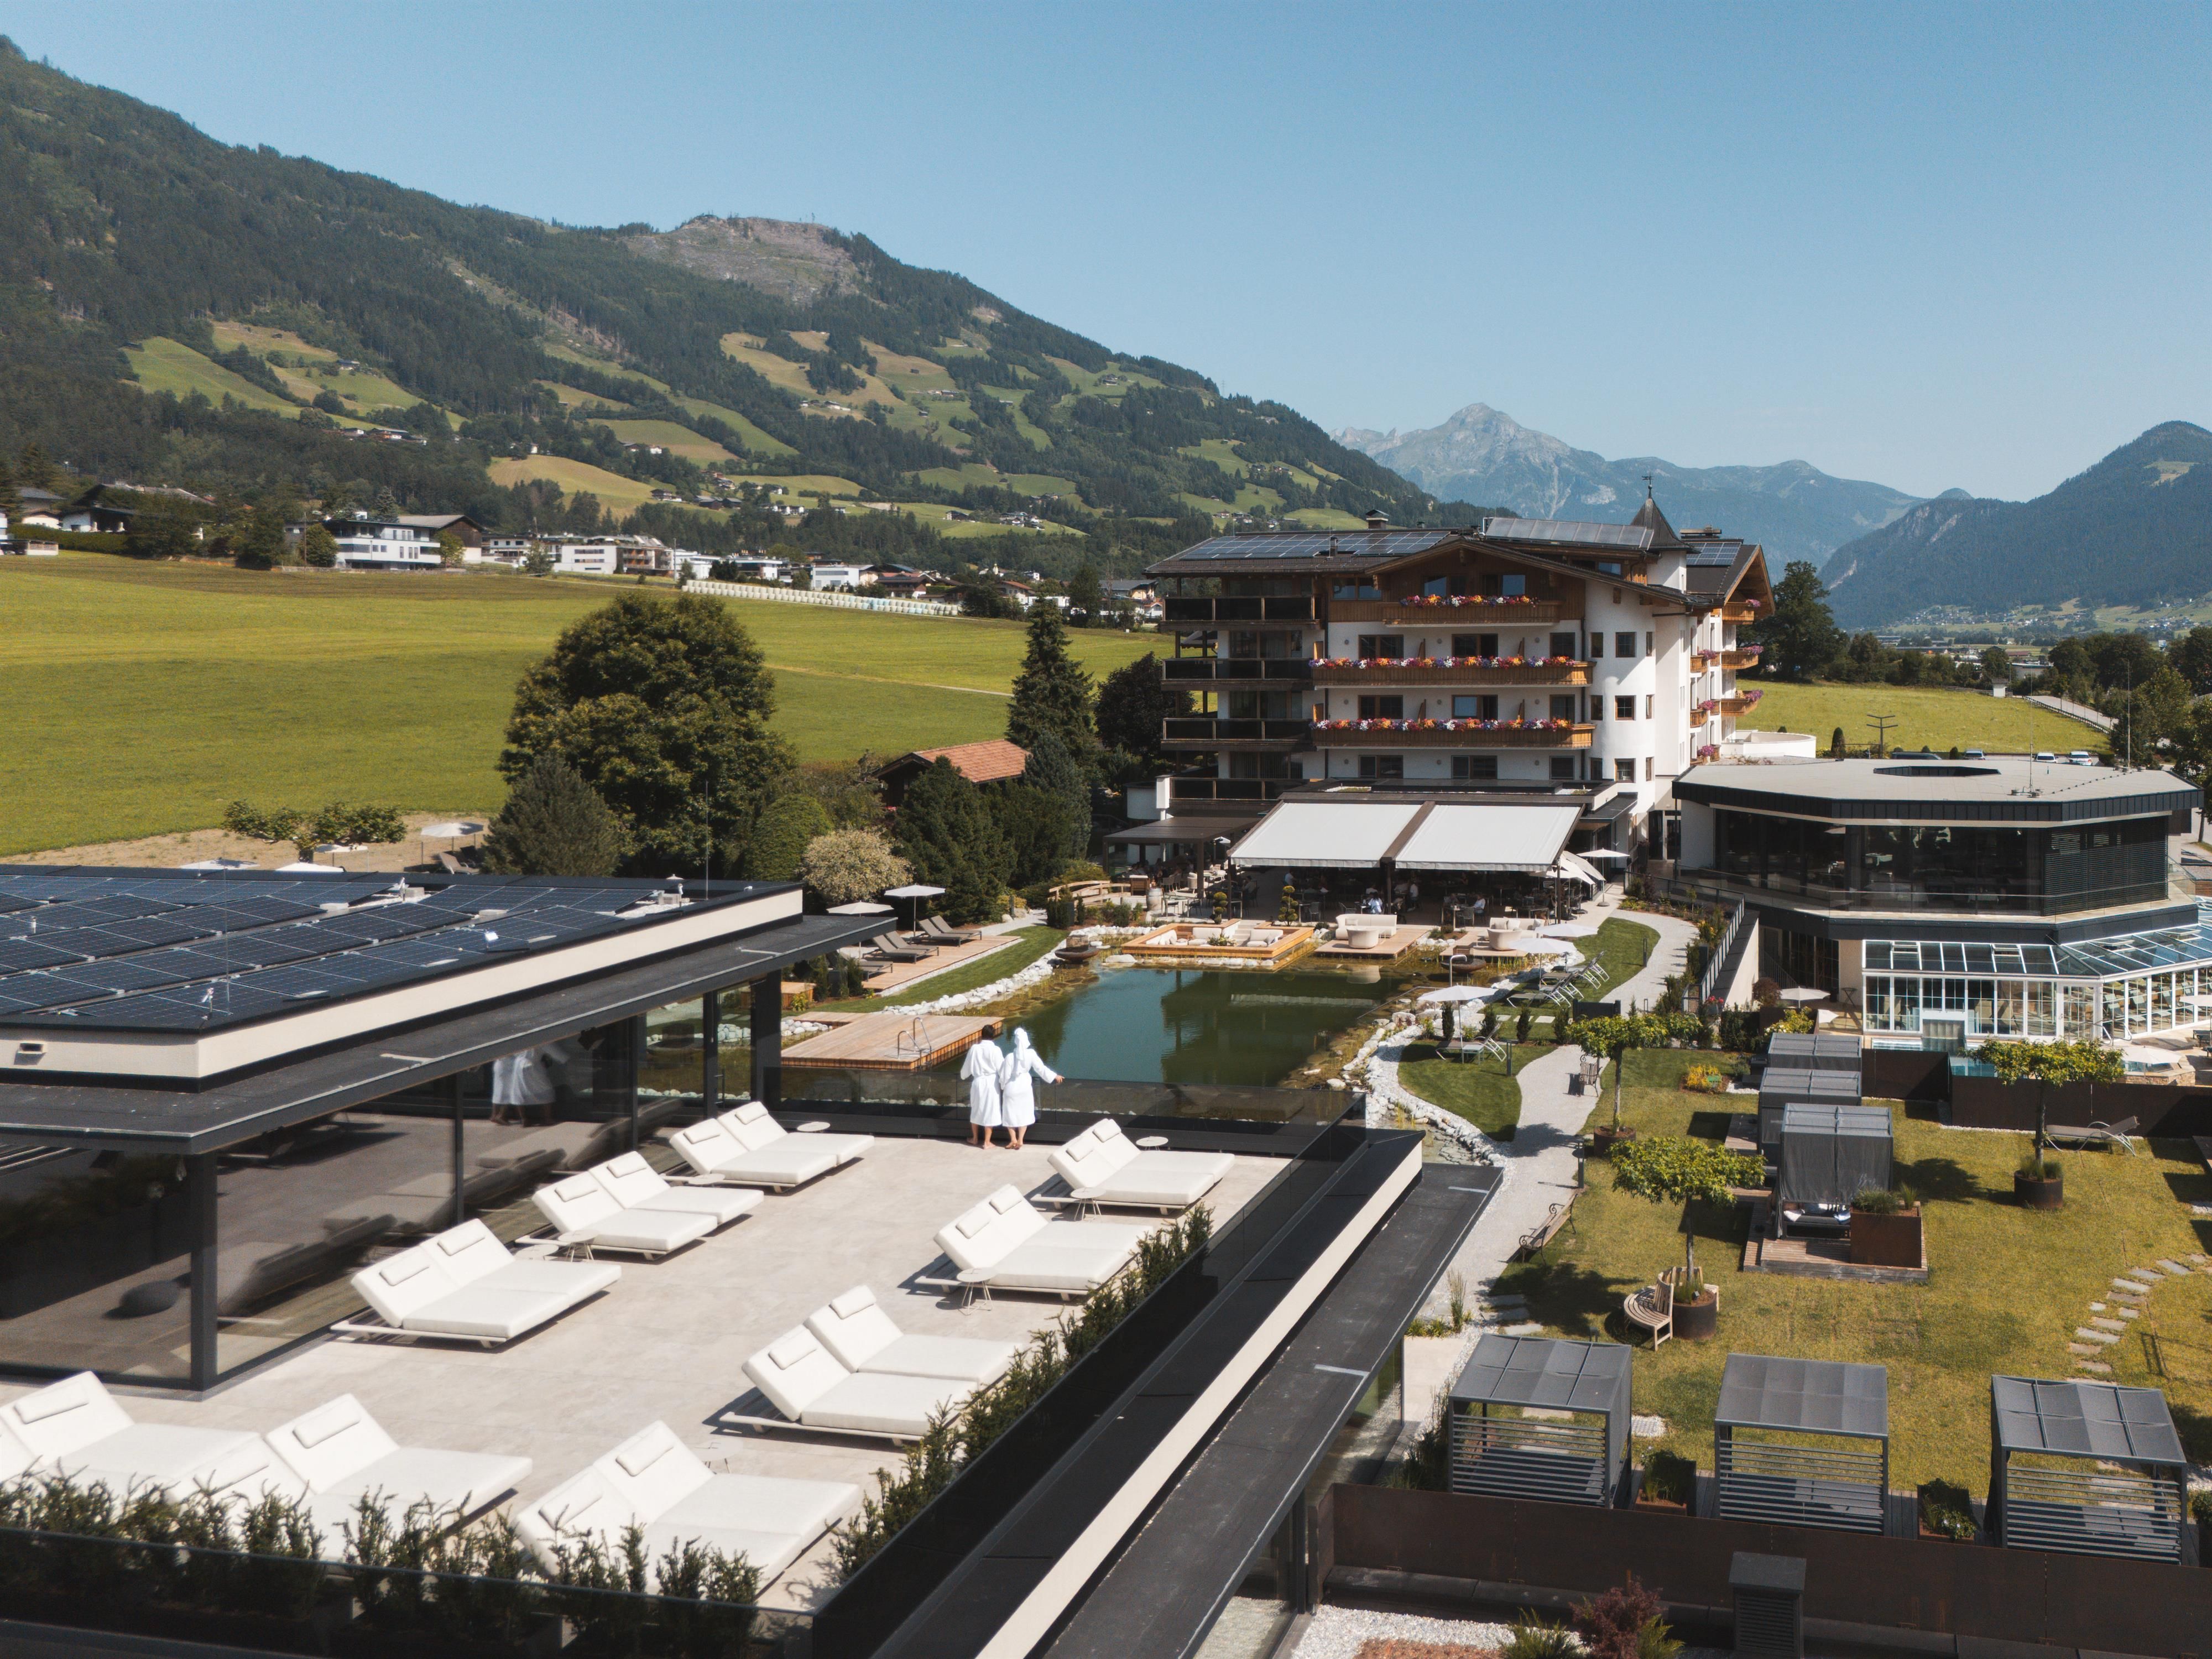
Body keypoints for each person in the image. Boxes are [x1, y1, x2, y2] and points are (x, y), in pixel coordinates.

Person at [995, 1029, 1060, 1150]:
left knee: (1009, 1114)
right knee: (1024, 1113)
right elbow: (1041, 1069)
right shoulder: (1031, 1054)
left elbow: (1004, 1076)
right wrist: (1054, 1076)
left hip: (1011, 1087)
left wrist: (1003, 1086)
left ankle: (1013, 1139)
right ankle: (1020, 1140)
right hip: (1025, 1087)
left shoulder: (1010, 1057)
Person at [961, 1035, 1005, 1148]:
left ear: (982, 1036)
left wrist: (963, 1075)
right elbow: (1002, 1069)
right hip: (991, 1084)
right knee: (990, 1110)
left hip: (978, 1082)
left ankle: (975, 1138)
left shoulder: (974, 1049)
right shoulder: (996, 1050)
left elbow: (967, 1068)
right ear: (993, 1037)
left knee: (976, 1109)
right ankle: (987, 1142)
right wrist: (1004, 1084)